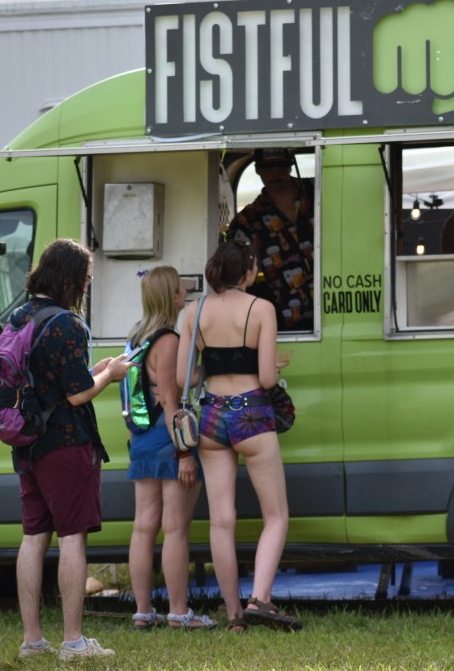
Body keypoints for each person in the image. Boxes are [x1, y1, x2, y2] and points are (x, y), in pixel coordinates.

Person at [14, 239, 131, 661]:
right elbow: (79, 395)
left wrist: (93, 373)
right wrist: (111, 375)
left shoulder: (18, 317)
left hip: (27, 443)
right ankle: (73, 642)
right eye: (84, 280)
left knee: (32, 539)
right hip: (65, 444)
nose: (85, 288)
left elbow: (56, 379)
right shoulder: (69, 324)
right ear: (68, 278)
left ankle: (32, 642)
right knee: (72, 539)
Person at [177, 239, 301, 633]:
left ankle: (234, 616)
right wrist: (275, 368)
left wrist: (212, 362)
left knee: (221, 520)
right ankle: (259, 599)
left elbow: (186, 378)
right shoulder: (261, 309)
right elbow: (265, 378)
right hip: (251, 412)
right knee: (276, 515)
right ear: (247, 270)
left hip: (213, 413)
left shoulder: (192, 312)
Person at [124, 267, 212, 630]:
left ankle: (143, 611)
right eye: (181, 289)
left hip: (141, 439)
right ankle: (178, 611)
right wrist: (184, 454)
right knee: (175, 528)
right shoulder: (169, 340)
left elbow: (172, 380)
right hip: (167, 440)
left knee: (143, 527)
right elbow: (172, 404)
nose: (186, 293)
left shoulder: (136, 337)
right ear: (171, 297)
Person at [231, 148, 314, 332]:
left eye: (280, 166)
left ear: (290, 167)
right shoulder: (247, 219)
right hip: (286, 317)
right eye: (267, 167)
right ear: (257, 170)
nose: (274, 173)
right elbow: (234, 269)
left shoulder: (318, 192)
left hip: (334, 305)